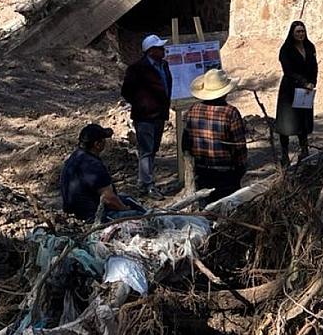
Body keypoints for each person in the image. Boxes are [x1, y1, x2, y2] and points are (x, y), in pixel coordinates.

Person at [181, 69, 248, 204]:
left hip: (201, 170)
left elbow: (186, 142)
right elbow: (239, 146)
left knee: (205, 206)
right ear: (225, 92)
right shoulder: (230, 112)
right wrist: (241, 167)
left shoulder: (193, 110)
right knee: (227, 206)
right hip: (226, 172)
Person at [120, 34, 173, 196]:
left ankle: (144, 180)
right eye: (159, 48)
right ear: (150, 51)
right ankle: (147, 184)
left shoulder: (164, 65)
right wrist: (143, 104)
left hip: (160, 114)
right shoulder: (137, 69)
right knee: (146, 150)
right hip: (144, 117)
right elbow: (126, 91)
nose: (163, 50)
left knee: (153, 148)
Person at [59, 124, 145, 222]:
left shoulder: (75, 157)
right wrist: (125, 209)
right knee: (140, 216)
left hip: (76, 211)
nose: (106, 143)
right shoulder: (92, 164)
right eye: (104, 140)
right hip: (92, 216)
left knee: (126, 198)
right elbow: (108, 198)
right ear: (97, 144)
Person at [275, 20, 318, 167]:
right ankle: (284, 154)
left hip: (306, 90)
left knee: (303, 120)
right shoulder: (286, 49)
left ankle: (304, 151)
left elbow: (314, 66)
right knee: (286, 122)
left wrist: (312, 82)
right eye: (298, 32)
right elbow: (288, 71)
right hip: (290, 89)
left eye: (302, 31)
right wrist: (303, 82)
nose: (301, 34)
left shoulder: (309, 47)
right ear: (292, 33)